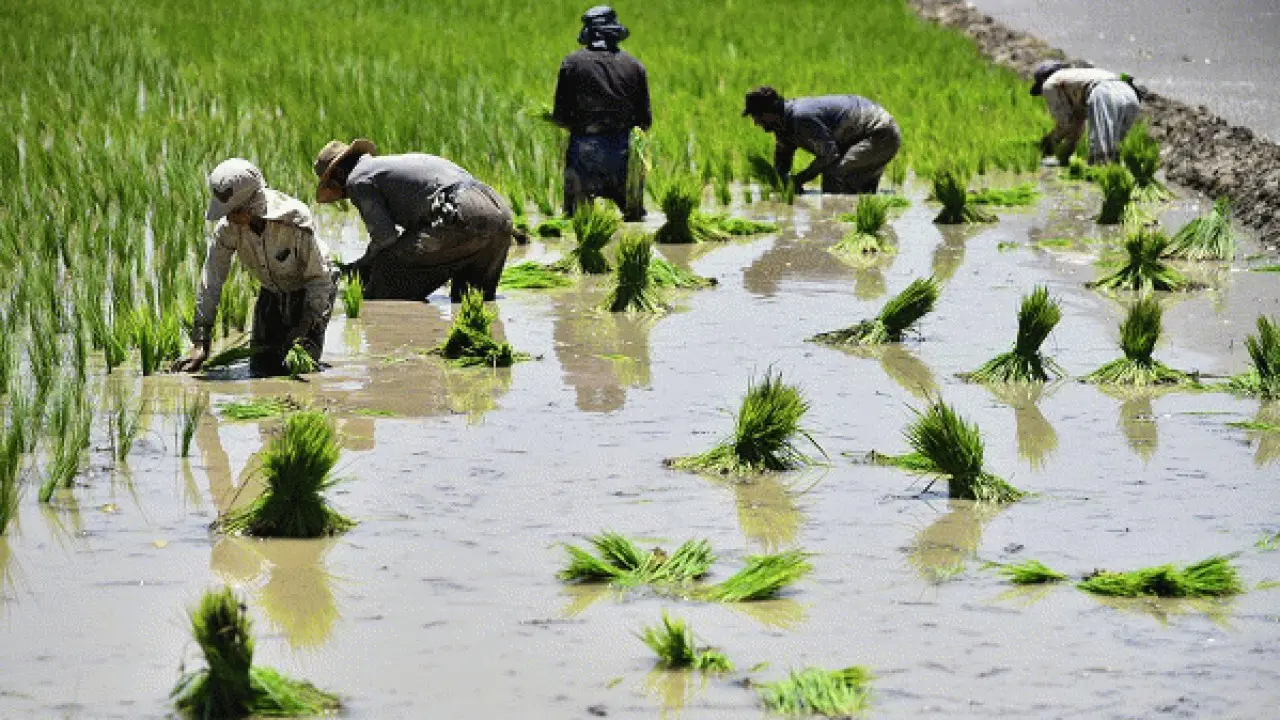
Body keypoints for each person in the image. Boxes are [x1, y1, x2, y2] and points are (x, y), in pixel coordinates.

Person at [173, 158, 336, 377]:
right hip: (271, 289)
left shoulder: (294, 222)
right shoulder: (228, 229)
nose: (227, 217)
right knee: (260, 366)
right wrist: (200, 341)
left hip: (312, 291)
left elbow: (319, 279)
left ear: (251, 205)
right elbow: (211, 280)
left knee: (298, 367)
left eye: (233, 210)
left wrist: (306, 326)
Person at [313, 139, 514, 302]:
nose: (344, 195)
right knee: (471, 301)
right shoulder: (392, 164)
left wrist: (360, 266)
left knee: (386, 272)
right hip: (499, 212)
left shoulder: (357, 179)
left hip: (459, 213)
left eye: (335, 189)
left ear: (338, 174)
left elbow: (385, 238)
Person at [552, 5, 652, 220]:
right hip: (623, 153)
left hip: (583, 152)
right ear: (615, 33)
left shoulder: (572, 64)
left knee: (577, 220)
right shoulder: (634, 66)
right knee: (634, 220)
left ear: (588, 33)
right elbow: (645, 120)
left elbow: (559, 116)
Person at [742, 86, 902, 195]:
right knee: (859, 192)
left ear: (771, 111)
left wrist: (798, 180)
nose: (756, 122)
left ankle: (835, 228)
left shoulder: (801, 118)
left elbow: (829, 155)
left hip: (879, 134)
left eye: (757, 115)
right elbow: (783, 157)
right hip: (859, 137)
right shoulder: (782, 126)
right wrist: (779, 181)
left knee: (834, 175)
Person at [1031, 61, 1141, 165]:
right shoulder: (1078, 79)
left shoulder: (1049, 83)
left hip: (1104, 91)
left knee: (1100, 151)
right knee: (1115, 147)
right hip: (1129, 94)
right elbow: (1077, 124)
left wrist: (1049, 142)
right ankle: (1113, 177)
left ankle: (1100, 177)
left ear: (1043, 79)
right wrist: (1066, 154)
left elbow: (1065, 123)